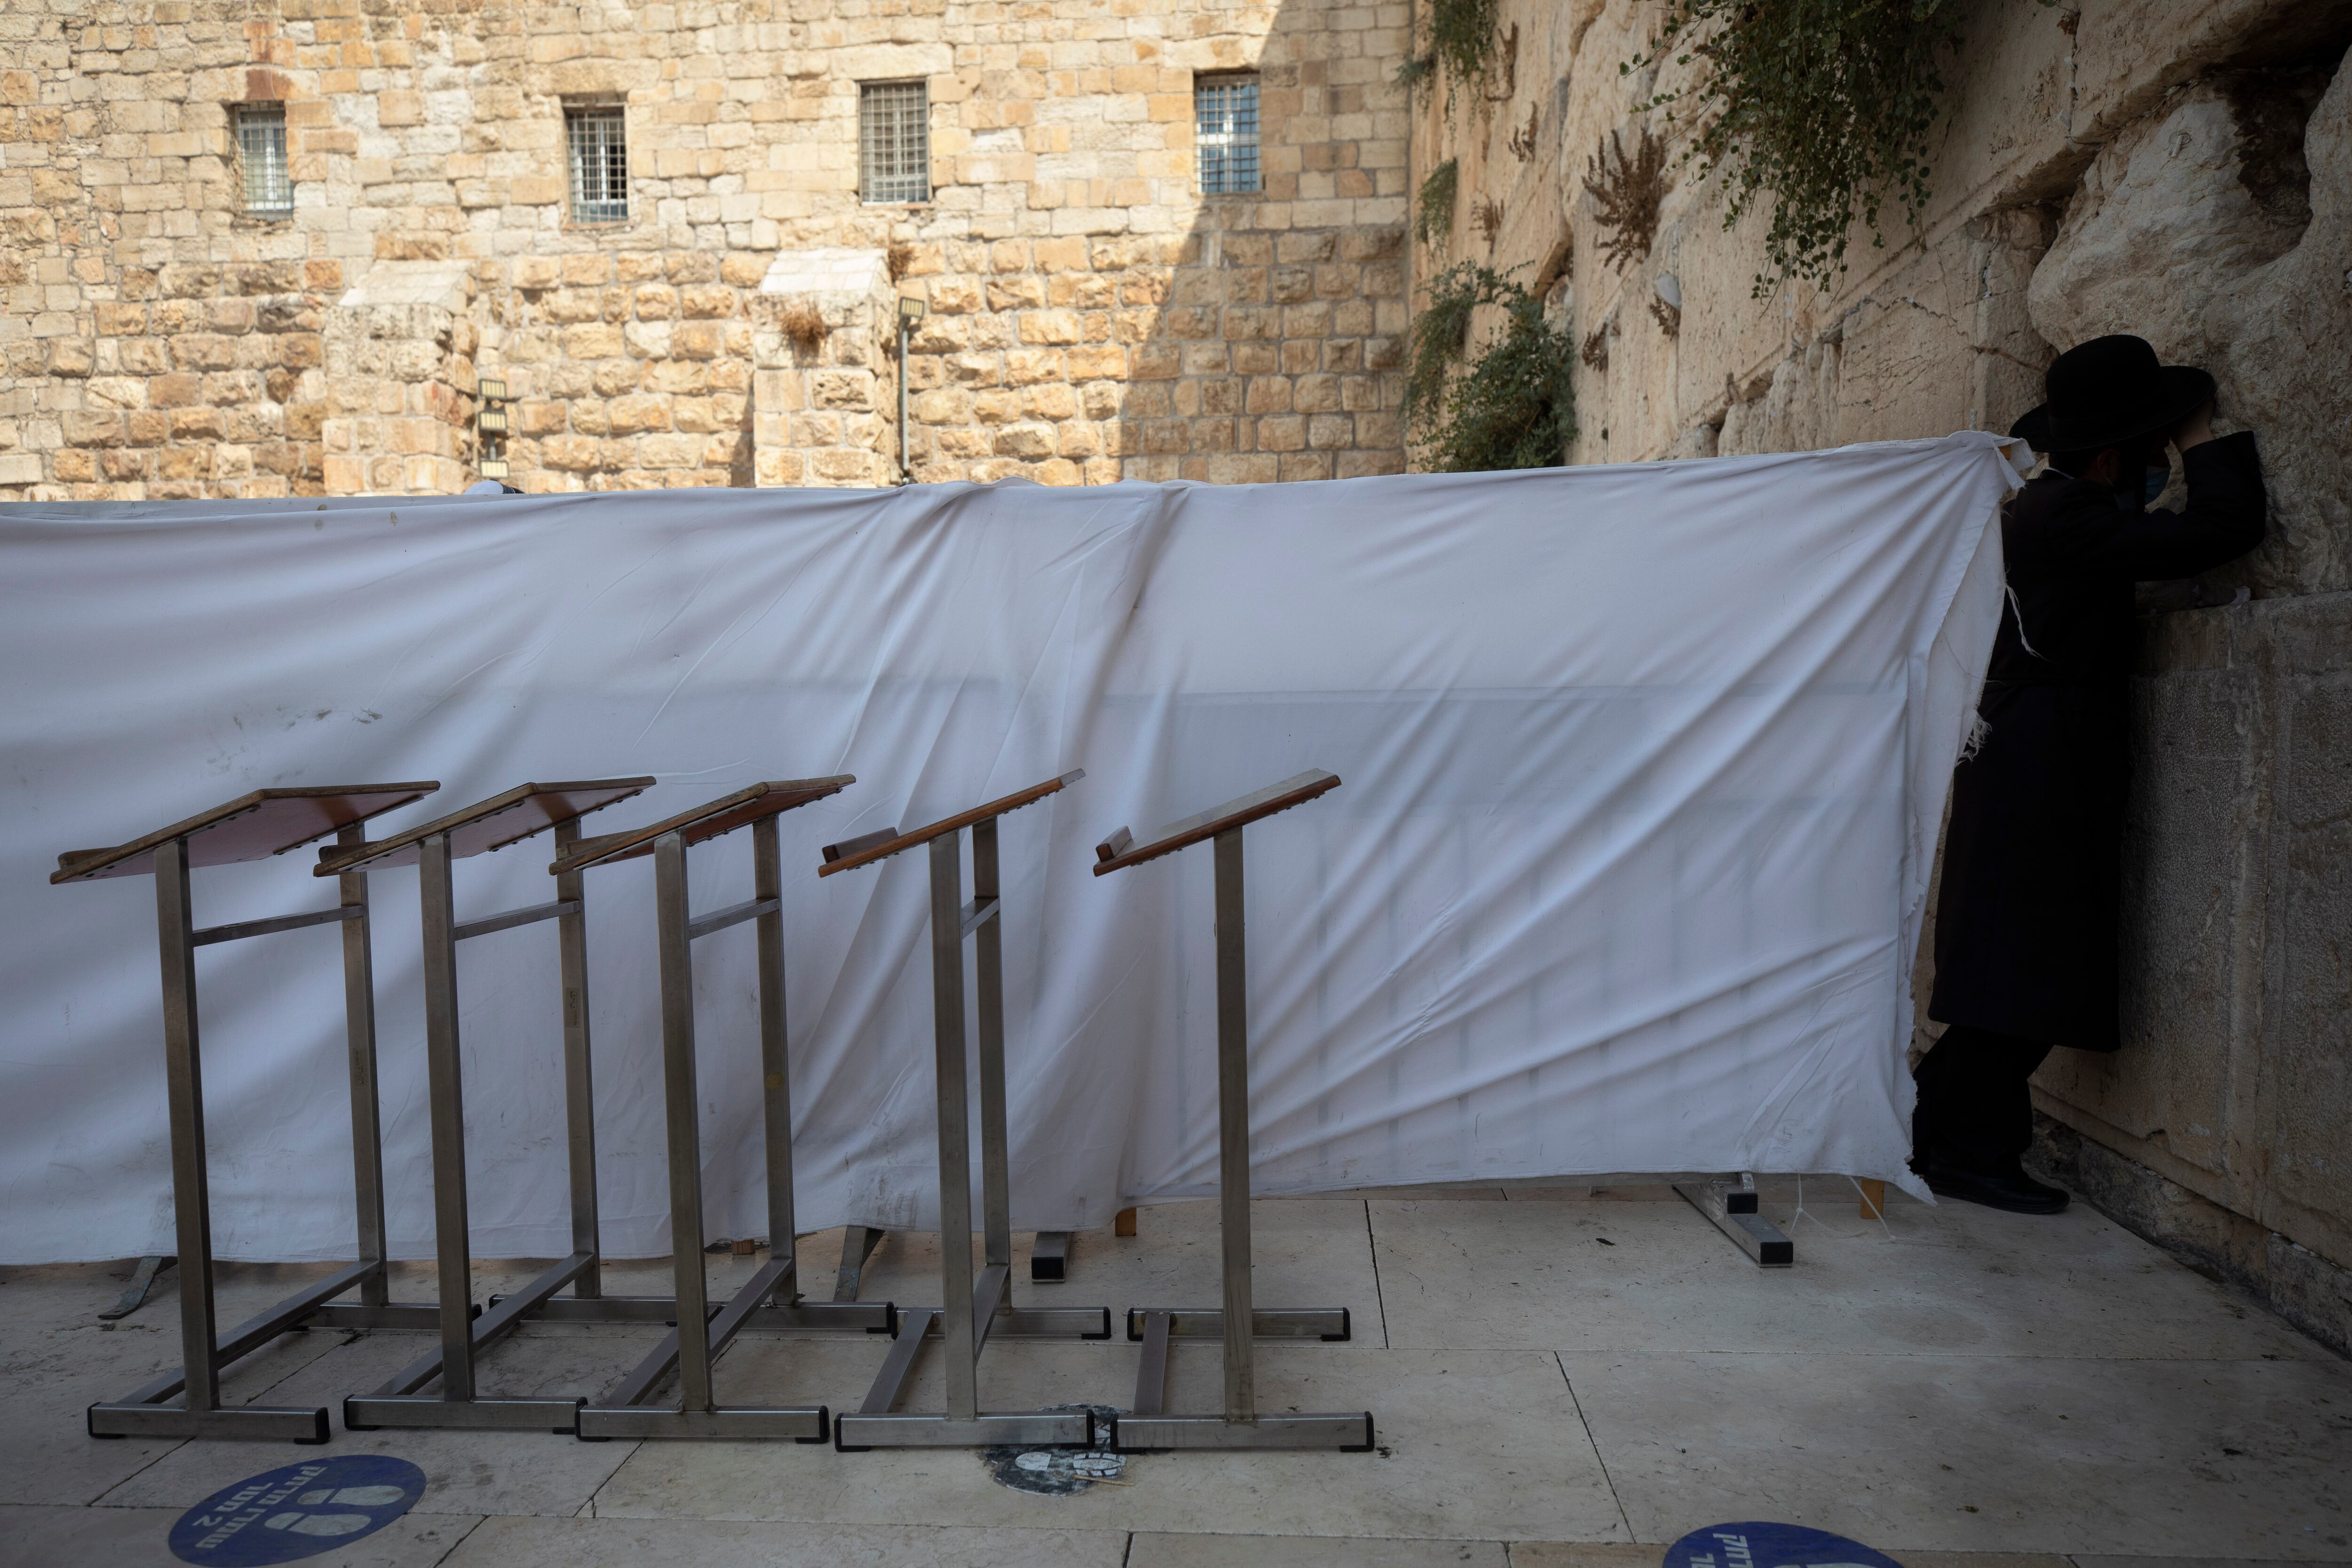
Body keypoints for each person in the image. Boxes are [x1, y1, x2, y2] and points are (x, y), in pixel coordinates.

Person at [1917, 334, 2267, 1213]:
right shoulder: (2067, 518)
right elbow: (2222, 531)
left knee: (2013, 967)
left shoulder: (2051, 510)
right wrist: (2200, 438)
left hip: (2033, 759)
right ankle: (1970, 1153)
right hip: (2040, 765)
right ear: (2109, 458)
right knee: (2021, 972)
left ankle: (1942, 1137)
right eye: (2147, 452)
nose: (2156, 466)